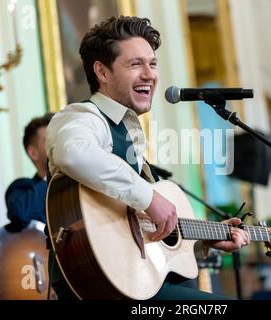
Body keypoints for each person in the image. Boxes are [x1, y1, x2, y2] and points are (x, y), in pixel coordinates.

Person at [45, 16, 250, 300]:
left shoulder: (130, 131)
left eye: (152, 64)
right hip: (97, 284)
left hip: (136, 283)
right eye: (135, 64)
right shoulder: (83, 117)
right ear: (101, 72)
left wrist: (204, 240)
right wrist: (150, 198)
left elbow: (140, 231)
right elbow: (73, 153)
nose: (149, 75)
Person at [5, 113, 54, 229]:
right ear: (33, 153)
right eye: (50, 139)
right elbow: (19, 213)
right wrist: (53, 175)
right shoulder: (23, 188)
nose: (57, 144)